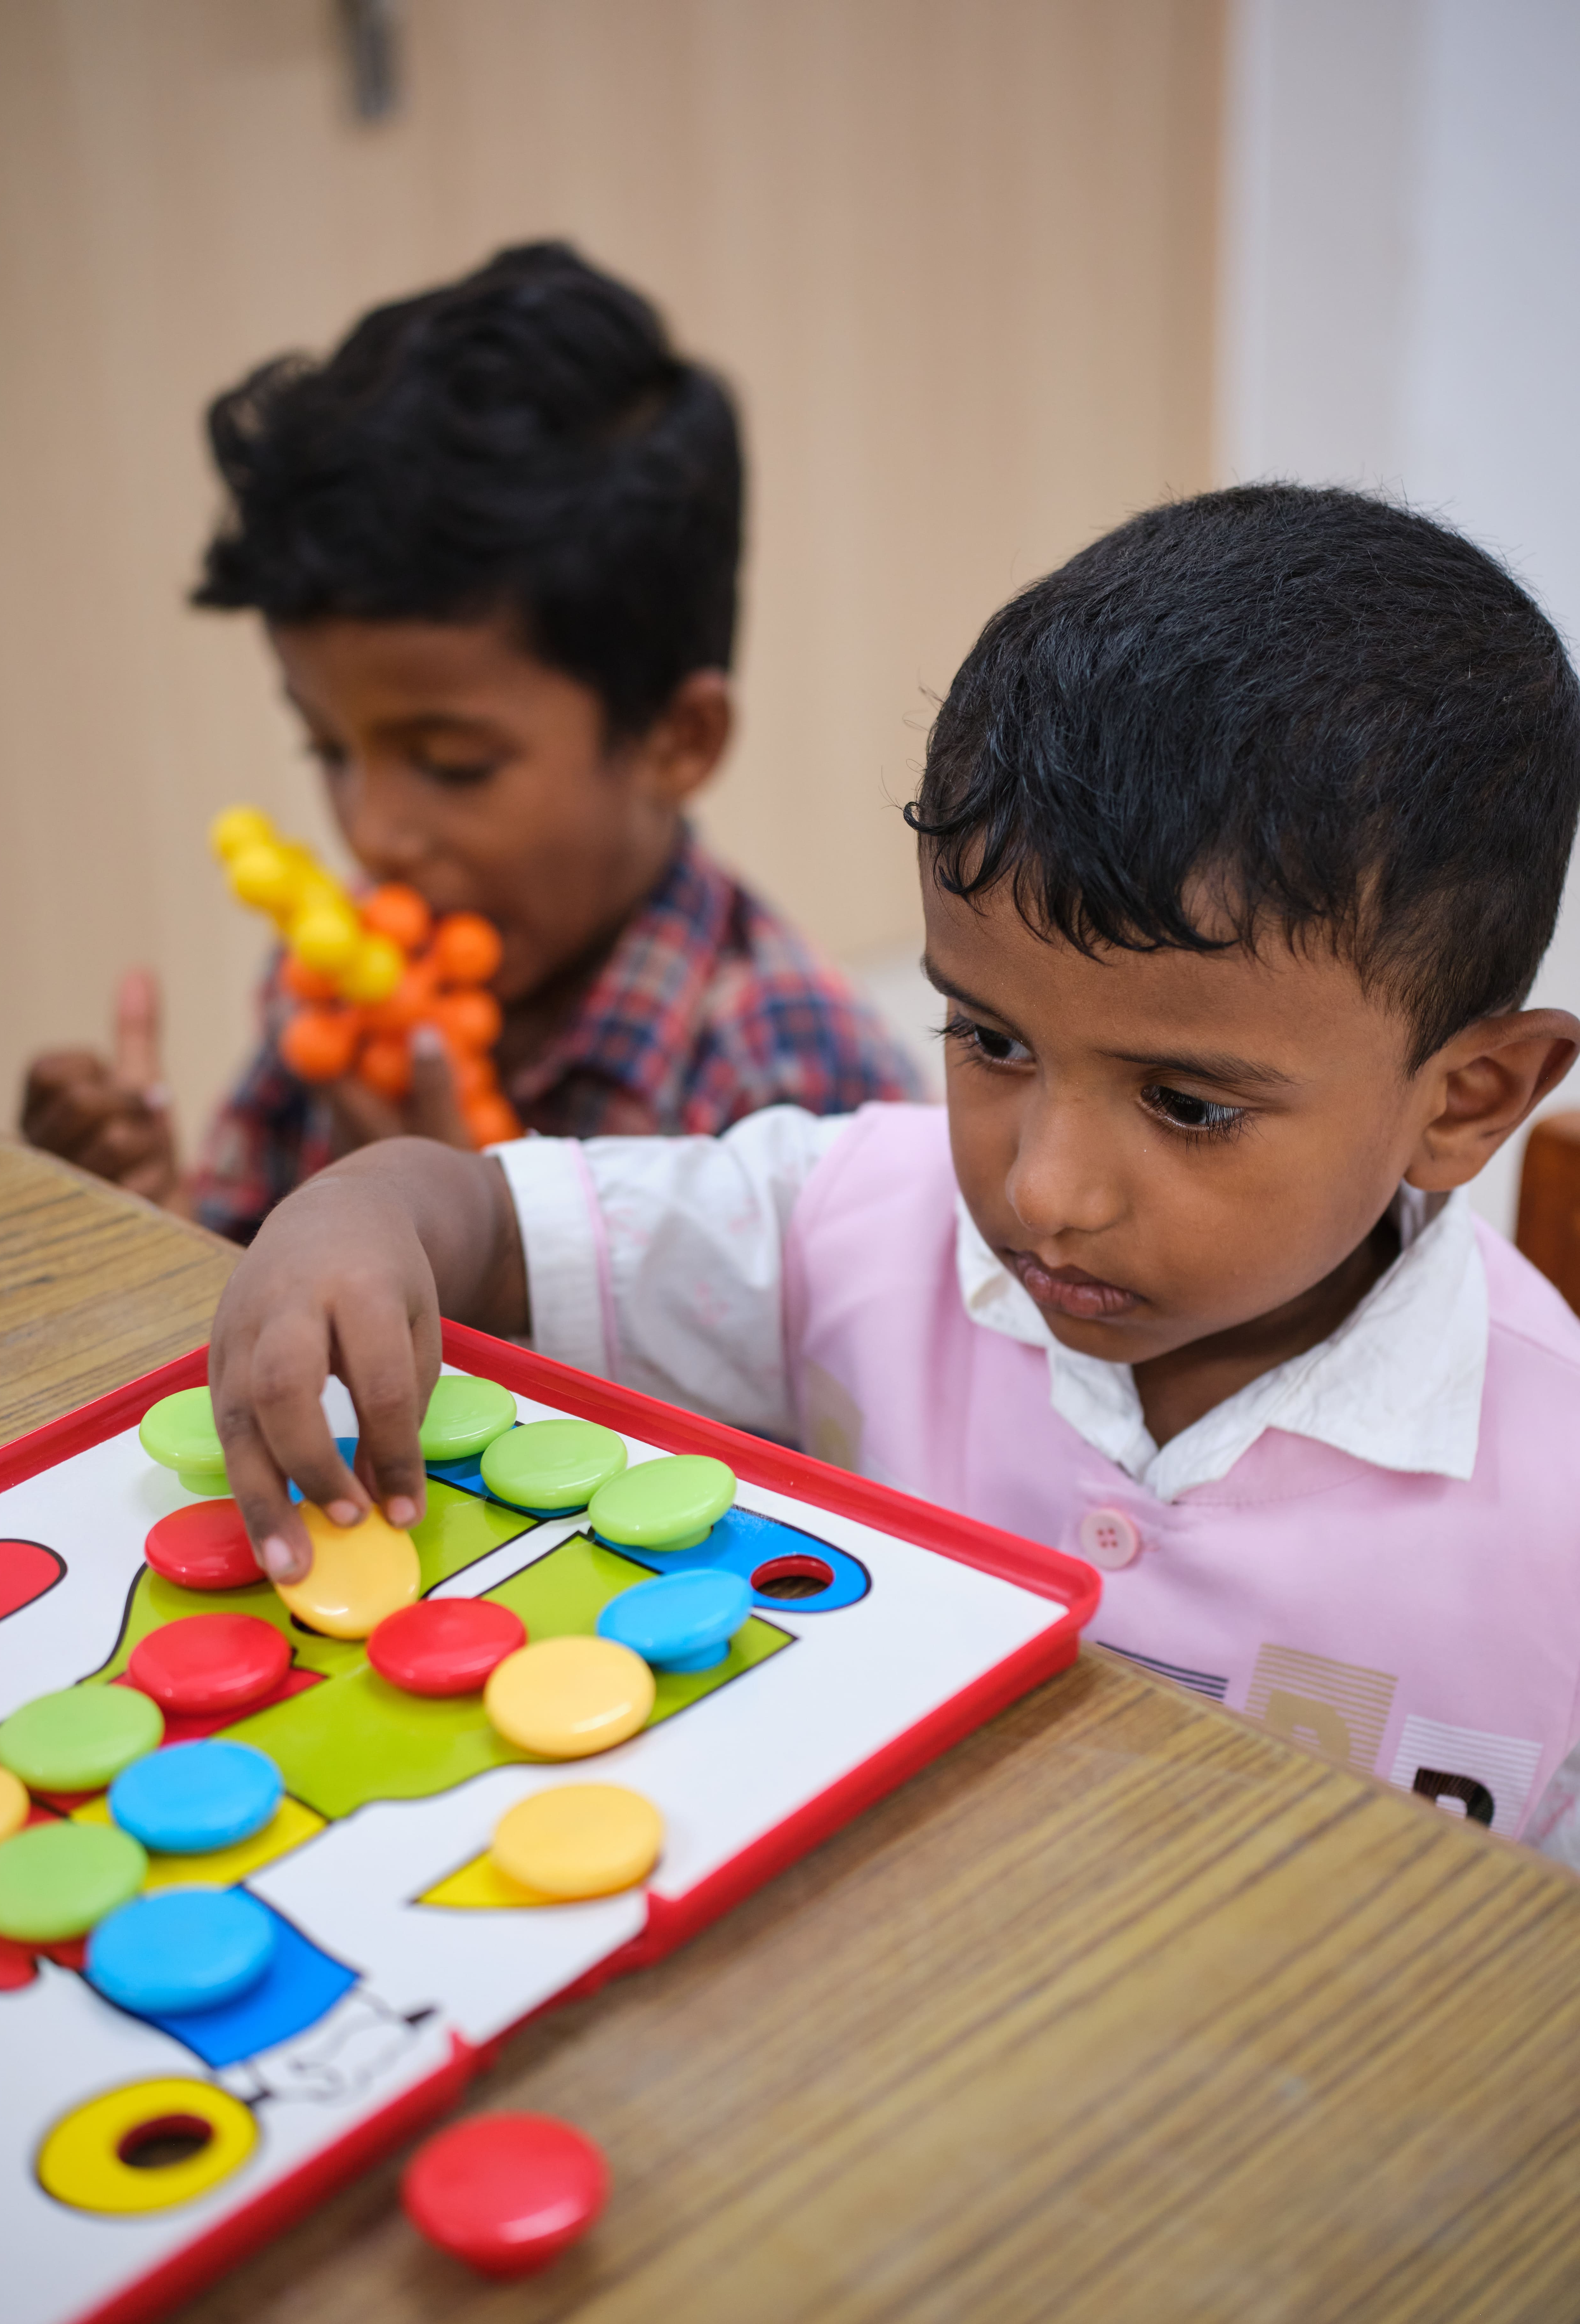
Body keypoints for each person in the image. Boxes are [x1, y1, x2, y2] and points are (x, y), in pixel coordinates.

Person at [206, 485, 1580, 1846]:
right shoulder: (853, 1223)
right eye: (989, 1039)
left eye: (1185, 1105)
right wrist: (369, 1204)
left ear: (1466, 1102)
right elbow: (503, 1229)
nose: (1043, 1191)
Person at [18, 243, 918, 1239]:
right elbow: (237, 1257)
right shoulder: (332, 986)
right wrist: (152, 1224)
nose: (374, 834)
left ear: (680, 740)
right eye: (327, 751)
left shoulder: (798, 1094)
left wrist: (476, 1249)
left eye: (454, 765)